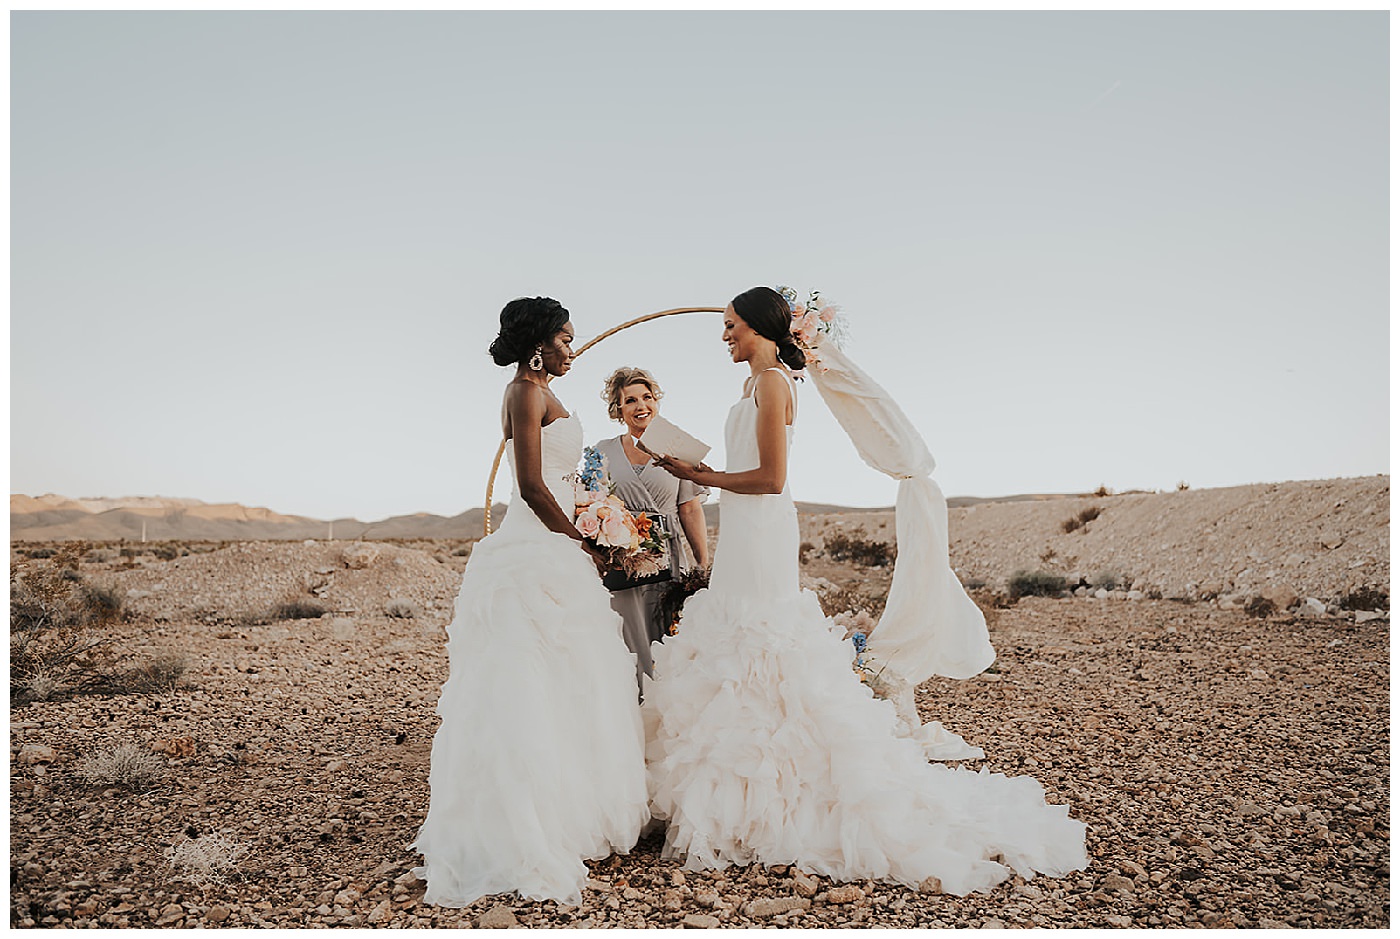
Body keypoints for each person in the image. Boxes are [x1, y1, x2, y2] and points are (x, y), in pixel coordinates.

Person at [646, 286, 1087, 896]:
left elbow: (771, 478)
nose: (724, 337)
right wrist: (703, 475)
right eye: (723, 327)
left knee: (762, 635)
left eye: (731, 326)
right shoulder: (750, 385)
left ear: (762, 328)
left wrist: (699, 476)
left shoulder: (774, 383)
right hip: (744, 527)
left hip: (764, 524)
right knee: (736, 637)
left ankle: (784, 790)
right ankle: (740, 785)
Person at [410, 297, 649, 908]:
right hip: (537, 545)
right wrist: (585, 545)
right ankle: (522, 823)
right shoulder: (524, 391)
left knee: (575, 677)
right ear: (540, 342)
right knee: (528, 681)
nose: (573, 348)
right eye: (566, 338)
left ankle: (573, 809)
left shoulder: (544, 390)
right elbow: (533, 486)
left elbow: (564, 481)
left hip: (556, 539)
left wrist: (596, 518)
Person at [592, 367, 709, 689]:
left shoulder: (676, 446)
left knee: (671, 638)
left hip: (670, 560)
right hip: (623, 561)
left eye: (647, 397)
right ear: (618, 409)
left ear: (657, 401)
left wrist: (701, 564)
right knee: (627, 643)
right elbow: (591, 505)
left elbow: (689, 507)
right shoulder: (602, 452)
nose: (641, 405)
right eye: (630, 400)